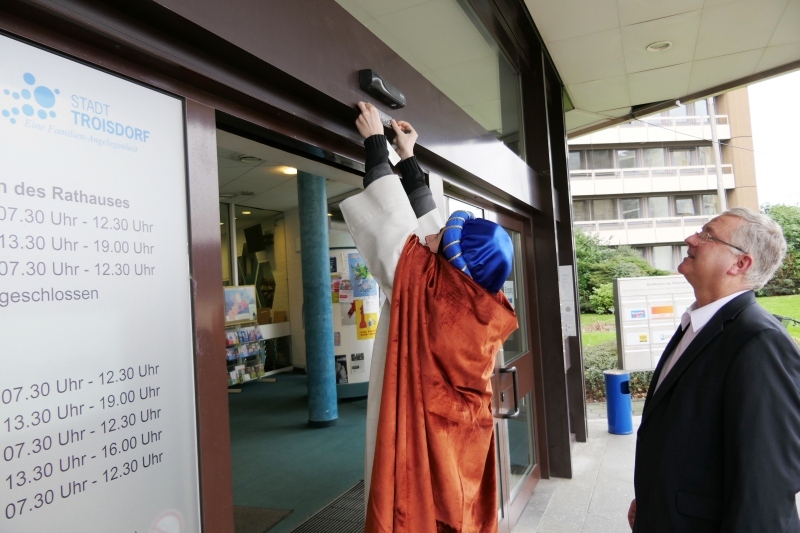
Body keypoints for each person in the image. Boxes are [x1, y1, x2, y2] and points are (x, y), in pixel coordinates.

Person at [341, 102, 518, 532]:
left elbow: (394, 238)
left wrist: (375, 147)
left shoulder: (431, 293)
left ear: (454, 262)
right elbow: (427, 230)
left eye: (445, 238)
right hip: (462, 445)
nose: (435, 234)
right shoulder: (478, 298)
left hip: (429, 445)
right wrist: (409, 159)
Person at [628, 207, 800, 532]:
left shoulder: (759, 342)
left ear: (740, 263)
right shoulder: (696, 325)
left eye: (707, 235)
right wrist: (654, 501)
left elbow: (765, 489)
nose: (691, 238)